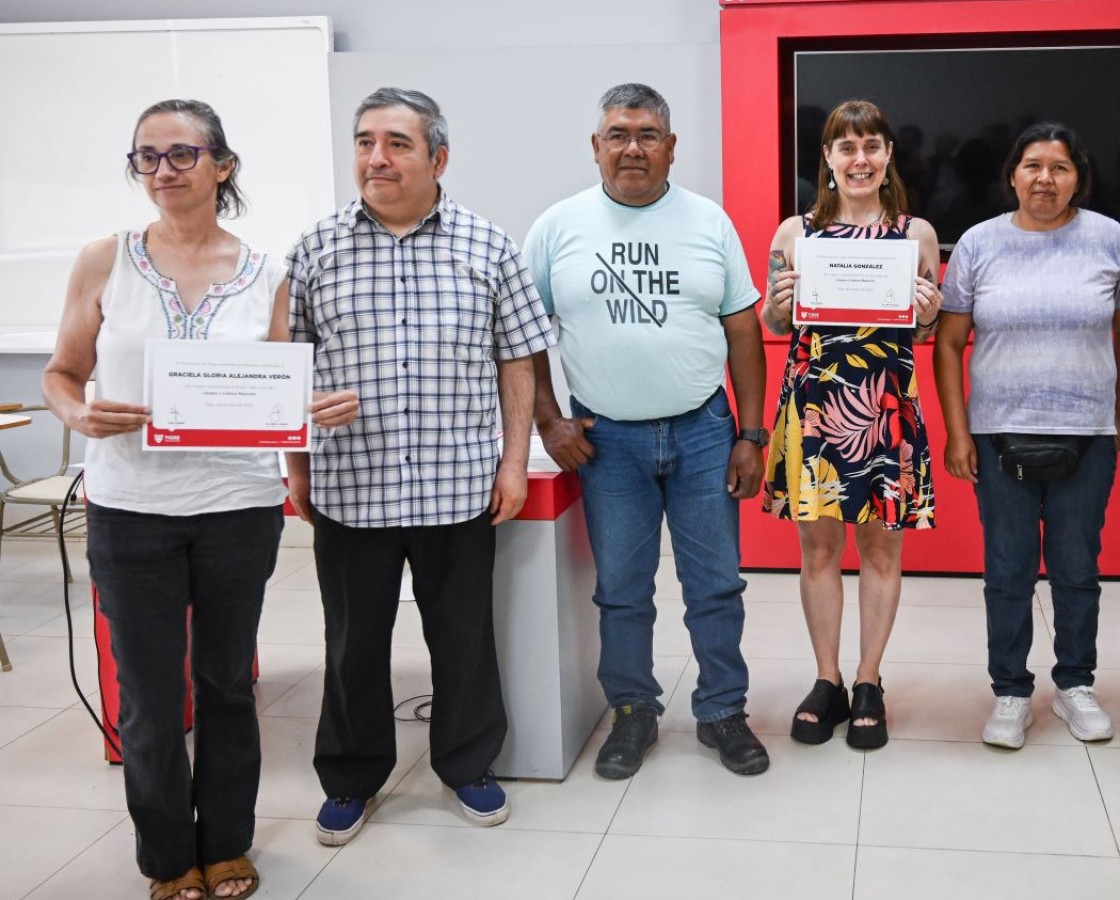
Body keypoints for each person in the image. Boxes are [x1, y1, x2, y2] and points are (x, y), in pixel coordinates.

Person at [42, 99, 357, 900]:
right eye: (146, 157)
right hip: (128, 508)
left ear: (222, 165)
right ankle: (165, 857)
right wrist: (79, 413)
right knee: (149, 699)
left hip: (235, 509)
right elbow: (62, 372)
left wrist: (310, 409)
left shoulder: (267, 275)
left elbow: (280, 394)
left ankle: (226, 844)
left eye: (181, 154)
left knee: (224, 686)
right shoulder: (103, 259)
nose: (162, 171)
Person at [286, 87, 554, 845]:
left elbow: (517, 362)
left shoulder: (487, 244)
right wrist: (296, 463)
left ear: (438, 157)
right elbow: (286, 367)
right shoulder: (315, 248)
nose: (377, 158)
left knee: (463, 639)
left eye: (397, 143)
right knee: (352, 644)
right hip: (351, 485)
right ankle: (349, 777)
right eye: (366, 142)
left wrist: (512, 464)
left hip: (458, 482)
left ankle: (467, 765)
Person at [524, 83, 770, 778]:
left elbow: (743, 327)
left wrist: (751, 433)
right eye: (618, 134)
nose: (633, 147)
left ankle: (723, 709)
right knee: (623, 589)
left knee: (716, 584)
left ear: (671, 146)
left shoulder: (709, 221)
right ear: (596, 145)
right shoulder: (557, 227)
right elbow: (522, 333)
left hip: (702, 432)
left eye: (647, 134)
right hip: (609, 443)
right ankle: (634, 711)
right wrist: (549, 418)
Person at [933, 122, 1120, 749]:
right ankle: (1010, 692)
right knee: (1008, 568)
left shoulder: (1110, 238)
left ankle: (1076, 684)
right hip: (998, 432)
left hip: (1087, 430)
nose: (1045, 178)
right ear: (1012, 175)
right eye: (1032, 166)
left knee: (1078, 567)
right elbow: (948, 341)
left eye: (1059, 167)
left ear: (1078, 175)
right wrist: (959, 430)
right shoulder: (978, 242)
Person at [761, 99, 942, 750]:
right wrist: (778, 306)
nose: (859, 158)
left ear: (888, 154)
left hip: (884, 408)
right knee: (816, 551)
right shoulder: (794, 234)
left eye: (871, 146)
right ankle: (827, 678)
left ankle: (869, 681)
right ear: (829, 159)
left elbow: (922, 332)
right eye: (846, 147)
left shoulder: (915, 234)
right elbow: (778, 328)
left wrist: (928, 308)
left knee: (880, 551)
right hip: (813, 408)